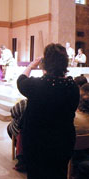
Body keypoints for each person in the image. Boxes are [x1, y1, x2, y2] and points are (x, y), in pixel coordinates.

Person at [17, 43, 80, 178]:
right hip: (63, 142)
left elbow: (21, 80)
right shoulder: (72, 86)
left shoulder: (36, 85)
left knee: (36, 174)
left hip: (37, 143)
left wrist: (30, 66)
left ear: (45, 63)